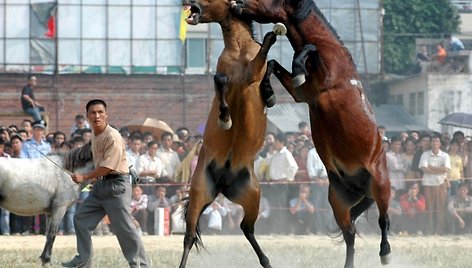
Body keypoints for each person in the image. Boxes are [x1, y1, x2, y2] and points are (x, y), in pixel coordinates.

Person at [62, 99, 148, 268]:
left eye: (100, 112)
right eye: (93, 113)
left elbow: (108, 166)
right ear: (87, 116)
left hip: (117, 186)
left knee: (123, 228)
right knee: (81, 219)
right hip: (101, 186)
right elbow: (96, 161)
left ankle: (140, 264)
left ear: (106, 115)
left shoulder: (112, 136)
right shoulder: (94, 134)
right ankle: (83, 261)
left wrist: (84, 177)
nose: (97, 115)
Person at [419, 133, 450, 235]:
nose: (435, 143)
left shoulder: (445, 155)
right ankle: (430, 229)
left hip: (441, 184)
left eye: (437, 141)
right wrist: (439, 170)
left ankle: (439, 229)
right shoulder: (425, 154)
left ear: (440, 143)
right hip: (428, 184)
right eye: (433, 141)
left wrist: (431, 167)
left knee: (440, 208)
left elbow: (446, 169)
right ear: (430, 143)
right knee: (430, 208)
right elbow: (424, 168)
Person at [306, 145, 331, 234]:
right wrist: (317, 179)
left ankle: (329, 229)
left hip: (328, 181)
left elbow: (332, 166)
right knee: (317, 206)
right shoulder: (311, 153)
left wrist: (329, 178)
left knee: (329, 206)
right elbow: (310, 169)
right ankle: (319, 229)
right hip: (316, 183)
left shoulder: (329, 150)